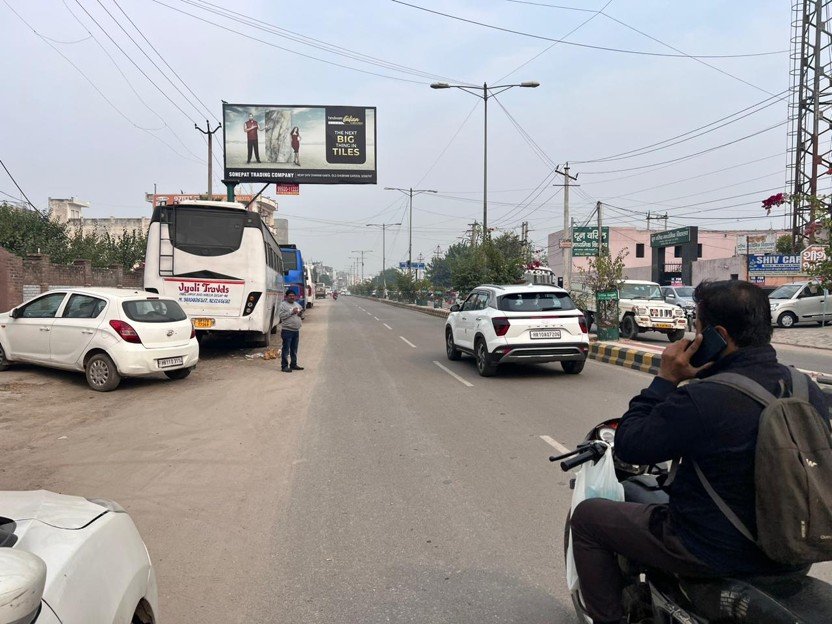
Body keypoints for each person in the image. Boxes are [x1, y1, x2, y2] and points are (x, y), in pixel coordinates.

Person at [569, 280, 829, 624]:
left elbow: (632, 444)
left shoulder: (705, 397)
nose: (693, 338)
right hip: (792, 549)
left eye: (697, 328)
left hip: (710, 550)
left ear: (719, 335)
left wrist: (665, 378)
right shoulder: (805, 388)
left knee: (588, 518)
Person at [278, 289, 304, 373]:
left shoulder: (297, 304)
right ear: (286, 296)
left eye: (293, 296)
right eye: (290, 296)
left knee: (294, 349)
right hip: (287, 331)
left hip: (296, 330)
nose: (292, 297)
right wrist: (292, 312)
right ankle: (284, 366)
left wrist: (300, 314)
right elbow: (281, 316)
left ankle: (293, 364)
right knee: (286, 349)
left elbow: (301, 316)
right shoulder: (283, 305)